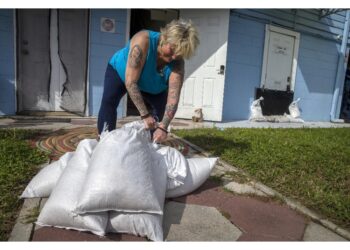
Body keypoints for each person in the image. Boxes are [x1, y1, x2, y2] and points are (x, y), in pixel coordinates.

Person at [97, 19, 200, 143]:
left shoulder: (177, 63)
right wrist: (145, 115)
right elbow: (130, 83)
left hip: (152, 84)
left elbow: (173, 99)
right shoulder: (143, 40)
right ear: (165, 37)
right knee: (109, 101)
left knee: (161, 111)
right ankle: (104, 142)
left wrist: (163, 127)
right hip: (121, 73)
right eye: (172, 50)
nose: (173, 57)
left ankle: (150, 145)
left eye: (179, 55)